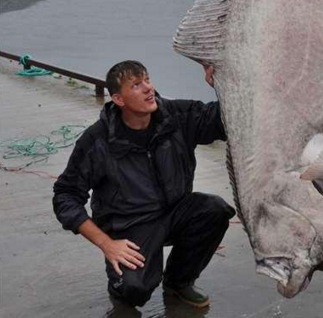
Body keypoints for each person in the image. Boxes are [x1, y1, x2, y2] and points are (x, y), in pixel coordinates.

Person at [53, 60, 235, 309]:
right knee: (133, 290)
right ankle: (121, 290)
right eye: (136, 85)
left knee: (214, 210)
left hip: (174, 212)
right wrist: (107, 244)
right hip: (130, 226)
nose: (148, 88)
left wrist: (224, 83)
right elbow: (65, 195)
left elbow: (223, 119)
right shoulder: (98, 140)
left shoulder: (176, 116)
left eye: (147, 80)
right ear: (118, 99)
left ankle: (178, 283)